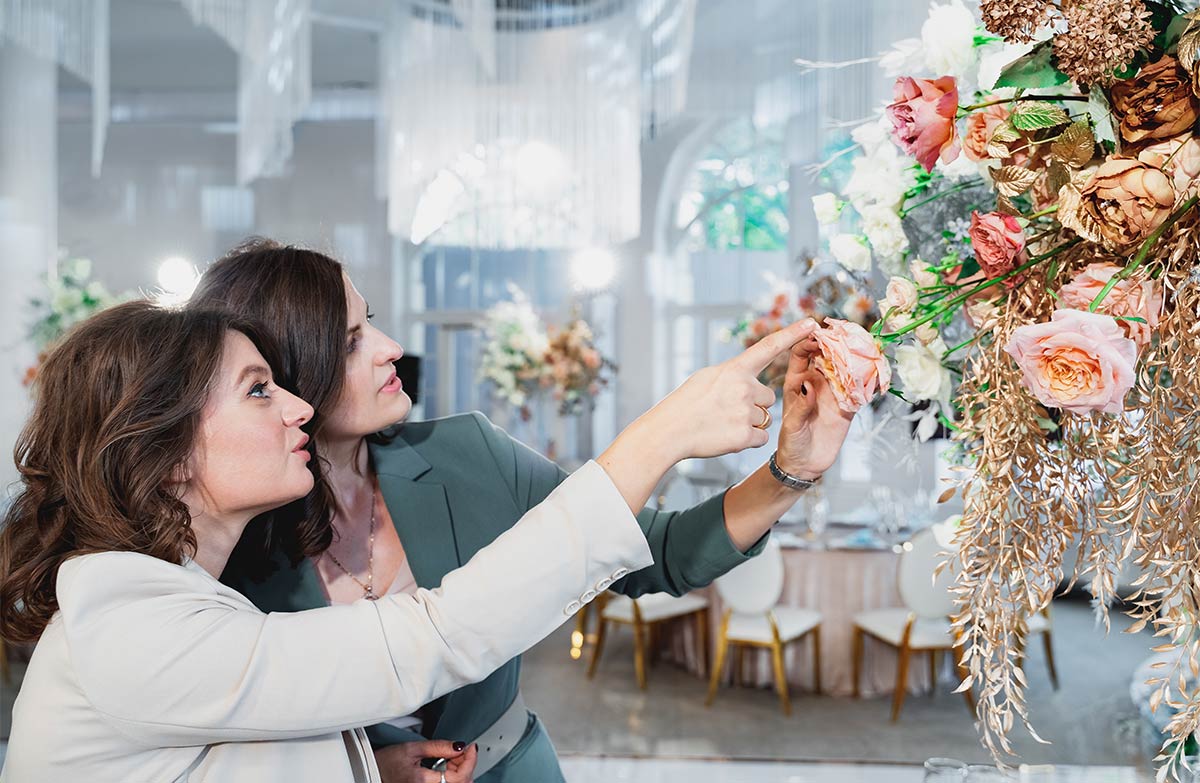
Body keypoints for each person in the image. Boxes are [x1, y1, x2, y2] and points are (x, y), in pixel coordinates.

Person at [0, 300, 826, 782]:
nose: (293, 406)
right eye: (260, 390)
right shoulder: (135, 623)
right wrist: (663, 433)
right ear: (165, 448)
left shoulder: (157, 596)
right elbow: (431, 637)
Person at [192, 240, 856, 783]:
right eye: (350, 340)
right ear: (283, 374)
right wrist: (362, 768)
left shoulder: (466, 452)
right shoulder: (227, 550)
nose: (391, 346)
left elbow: (665, 553)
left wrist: (794, 467)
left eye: (372, 319)